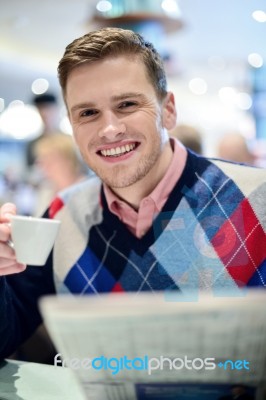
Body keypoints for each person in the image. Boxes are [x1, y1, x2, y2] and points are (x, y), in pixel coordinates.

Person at [0, 27, 266, 360]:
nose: (109, 129)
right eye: (88, 113)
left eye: (126, 104)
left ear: (168, 110)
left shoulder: (257, 202)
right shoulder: (61, 216)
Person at [33, 132, 89, 216]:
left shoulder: (88, 190)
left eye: (51, 159)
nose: (46, 165)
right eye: (43, 160)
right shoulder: (46, 192)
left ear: (69, 160)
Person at [26, 92, 61, 167]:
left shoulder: (70, 141)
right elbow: (29, 171)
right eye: (41, 109)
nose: (45, 113)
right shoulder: (32, 144)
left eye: (48, 108)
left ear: (56, 110)